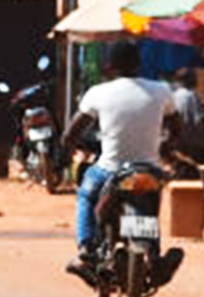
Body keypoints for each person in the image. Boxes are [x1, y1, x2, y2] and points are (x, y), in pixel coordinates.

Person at [62, 40, 183, 283]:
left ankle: (86, 251)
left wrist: (66, 150)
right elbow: (176, 127)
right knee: (149, 208)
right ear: (138, 63)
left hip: (109, 171)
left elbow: (71, 133)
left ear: (109, 66)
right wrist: (167, 148)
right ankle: (153, 255)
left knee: (86, 195)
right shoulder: (161, 90)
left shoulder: (98, 92)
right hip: (148, 172)